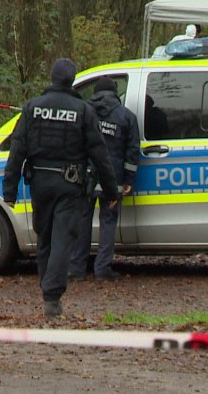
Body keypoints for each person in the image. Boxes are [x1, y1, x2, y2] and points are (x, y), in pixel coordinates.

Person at [2, 58, 119, 318]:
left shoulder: (32, 108)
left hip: (40, 185)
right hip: (70, 185)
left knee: (44, 238)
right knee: (62, 240)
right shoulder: (83, 110)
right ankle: (52, 297)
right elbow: (99, 153)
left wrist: (9, 190)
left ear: (51, 78)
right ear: (73, 80)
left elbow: (17, 149)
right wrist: (111, 191)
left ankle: (48, 289)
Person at [69, 76, 139, 282]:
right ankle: (102, 268)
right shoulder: (126, 116)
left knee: (82, 221)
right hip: (113, 179)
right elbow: (132, 151)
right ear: (115, 93)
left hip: (84, 178)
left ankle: (76, 269)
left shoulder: (83, 112)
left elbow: (73, 143)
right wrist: (129, 179)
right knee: (108, 222)